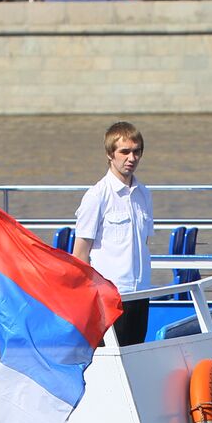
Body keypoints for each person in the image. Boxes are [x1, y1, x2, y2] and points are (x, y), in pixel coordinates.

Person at [73, 122, 154, 345]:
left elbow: (144, 242)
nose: (131, 158)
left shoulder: (144, 195)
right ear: (110, 154)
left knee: (135, 355)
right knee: (110, 360)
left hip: (139, 292)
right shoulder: (97, 196)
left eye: (137, 151)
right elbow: (80, 253)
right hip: (110, 296)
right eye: (124, 152)